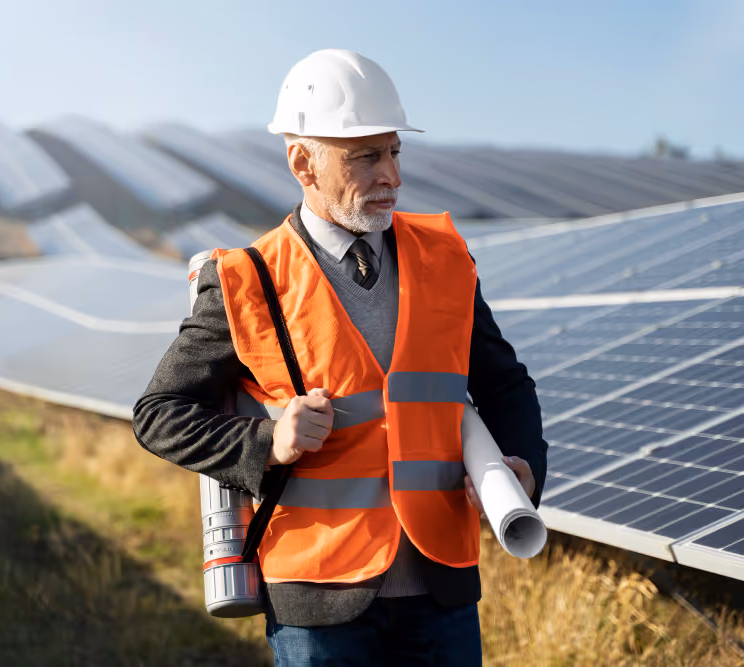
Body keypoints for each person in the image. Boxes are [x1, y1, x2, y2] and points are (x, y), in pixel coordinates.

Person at [133, 49, 548, 666]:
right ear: (303, 163)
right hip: (317, 602)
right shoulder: (248, 278)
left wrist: (524, 468)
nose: (392, 176)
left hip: (441, 590)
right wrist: (267, 442)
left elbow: (505, 384)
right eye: (365, 157)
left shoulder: (445, 257)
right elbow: (158, 413)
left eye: (394, 152)